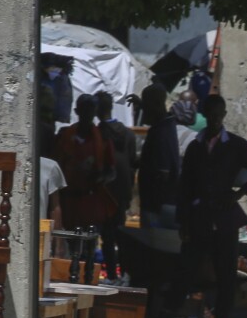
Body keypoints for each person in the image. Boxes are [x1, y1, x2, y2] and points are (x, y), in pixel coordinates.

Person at [179, 95, 247, 318]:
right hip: (198, 216)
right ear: (204, 114)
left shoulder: (235, 146)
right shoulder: (195, 147)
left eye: (218, 114)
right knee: (190, 267)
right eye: (210, 114)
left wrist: (241, 193)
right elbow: (185, 186)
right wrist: (184, 220)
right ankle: (181, 315)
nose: (214, 119)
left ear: (223, 115)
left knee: (225, 272)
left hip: (224, 216)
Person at [55, 94, 118, 246]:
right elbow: (55, 166)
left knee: (90, 245)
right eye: (85, 109)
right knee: (71, 245)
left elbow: (112, 170)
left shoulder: (102, 137)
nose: (88, 113)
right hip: (70, 202)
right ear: (77, 111)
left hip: (91, 201)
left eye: (91, 109)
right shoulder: (65, 135)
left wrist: (101, 177)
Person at [95, 91, 138, 280]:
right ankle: (126, 273)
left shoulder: (97, 134)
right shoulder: (128, 134)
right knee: (121, 234)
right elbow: (131, 165)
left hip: (103, 192)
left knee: (106, 236)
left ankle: (111, 274)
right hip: (122, 191)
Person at [138, 85, 183, 230]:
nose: (143, 112)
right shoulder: (164, 127)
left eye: (145, 107)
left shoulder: (162, 133)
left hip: (156, 207)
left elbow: (163, 174)